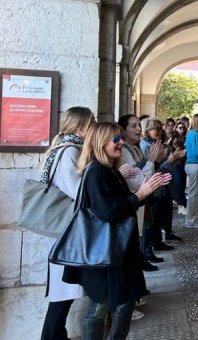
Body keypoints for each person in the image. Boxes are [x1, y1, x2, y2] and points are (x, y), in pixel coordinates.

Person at [63, 122, 170, 339]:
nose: (121, 142)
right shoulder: (97, 172)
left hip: (118, 252)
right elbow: (107, 211)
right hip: (107, 252)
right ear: (100, 142)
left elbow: (121, 202)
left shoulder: (108, 170)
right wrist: (140, 194)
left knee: (123, 301)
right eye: (115, 139)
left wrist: (144, 192)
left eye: (120, 137)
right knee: (105, 304)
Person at [39, 107, 95, 340]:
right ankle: (52, 336)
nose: (94, 126)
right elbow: (76, 190)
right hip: (66, 230)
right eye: (91, 122)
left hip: (68, 229)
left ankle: (56, 334)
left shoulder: (67, 149)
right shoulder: (69, 151)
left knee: (66, 289)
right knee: (63, 290)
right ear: (81, 126)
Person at [118, 114, 168, 272]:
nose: (139, 129)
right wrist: (151, 161)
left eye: (139, 125)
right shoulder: (124, 151)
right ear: (122, 130)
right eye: (133, 126)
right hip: (133, 198)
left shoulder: (134, 147)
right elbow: (140, 180)